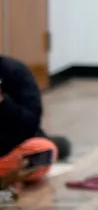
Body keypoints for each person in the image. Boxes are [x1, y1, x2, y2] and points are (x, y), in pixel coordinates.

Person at [0, 54, 68, 183]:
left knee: (42, 151)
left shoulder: (14, 71)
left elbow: (30, 123)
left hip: (11, 146)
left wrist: (3, 102)